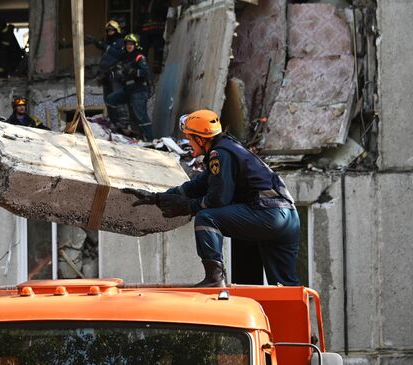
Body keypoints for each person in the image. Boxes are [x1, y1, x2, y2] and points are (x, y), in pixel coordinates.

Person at [124, 109, 300, 287]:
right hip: (288, 218)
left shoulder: (219, 154)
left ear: (200, 139)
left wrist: (188, 207)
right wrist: (157, 198)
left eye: (190, 138)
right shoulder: (228, 148)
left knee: (206, 218)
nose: (189, 143)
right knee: (284, 286)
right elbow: (197, 186)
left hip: (268, 214)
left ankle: (214, 279)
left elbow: (218, 199)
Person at [105, 34, 153, 141]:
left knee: (141, 116)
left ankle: (150, 139)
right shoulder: (124, 57)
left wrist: (133, 72)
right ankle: (121, 123)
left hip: (139, 90)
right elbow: (114, 55)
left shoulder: (139, 57)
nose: (129, 46)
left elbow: (146, 72)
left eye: (131, 44)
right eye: (127, 44)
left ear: (135, 45)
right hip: (128, 89)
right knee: (111, 99)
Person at [90, 20, 127, 129]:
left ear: (117, 31)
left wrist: (103, 46)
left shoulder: (121, 42)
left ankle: (123, 123)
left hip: (116, 76)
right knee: (108, 100)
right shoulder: (108, 43)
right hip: (106, 76)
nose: (110, 32)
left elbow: (119, 55)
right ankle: (113, 122)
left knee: (117, 98)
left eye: (112, 30)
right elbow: (105, 60)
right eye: (108, 30)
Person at [138, 0, 169, 73]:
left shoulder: (145, 3)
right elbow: (165, 13)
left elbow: (140, 18)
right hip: (154, 31)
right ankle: (146, 70)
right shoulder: (156, 3)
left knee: (151, 51)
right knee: (152, 51)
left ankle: (150, 70)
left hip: (150, 31)